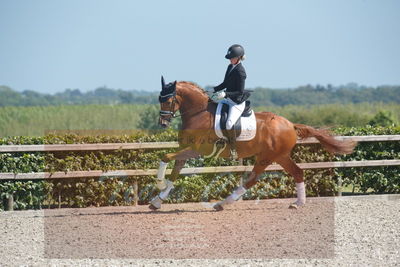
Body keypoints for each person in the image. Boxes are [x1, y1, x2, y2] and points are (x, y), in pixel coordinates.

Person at [213, 44, 250, 159]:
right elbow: (225, 83)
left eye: (232, 58)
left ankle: (234, 149)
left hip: (237, 102)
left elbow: (239, 91)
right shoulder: (230, 67)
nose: (230, 60)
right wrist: (213, 89)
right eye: (230, 58)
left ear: (239, 58)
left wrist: (225, 93)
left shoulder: (241, 72)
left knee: (229, 124)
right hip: (228, 99)